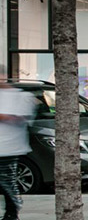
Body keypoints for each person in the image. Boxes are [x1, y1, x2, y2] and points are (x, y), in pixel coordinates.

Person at [0, 82, 36, 219]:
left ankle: (13, 211)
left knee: (5, 181)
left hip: (9, 147)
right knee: (5, 181)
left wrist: (3, 116)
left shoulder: (22, 96)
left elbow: (21, 118)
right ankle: (11, 211)